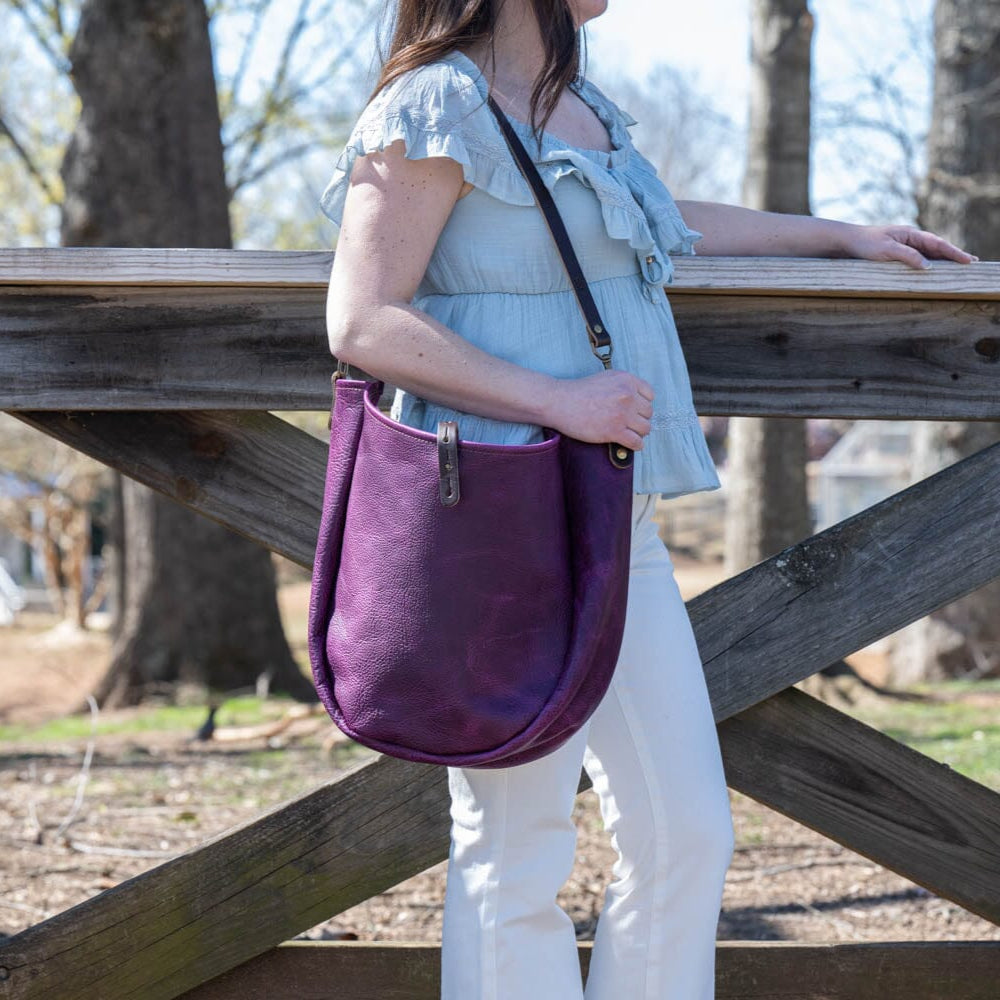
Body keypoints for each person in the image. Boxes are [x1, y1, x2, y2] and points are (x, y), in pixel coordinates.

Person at [320, 2, 976, 997]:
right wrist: (557, 400)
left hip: (612, 515)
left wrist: (838, 237)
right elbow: (362, 318)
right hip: (498, 517)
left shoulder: (576, 104)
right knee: (515, 845)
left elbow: (665, 218)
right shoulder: (433, 103)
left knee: (685, 832)